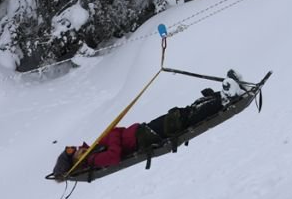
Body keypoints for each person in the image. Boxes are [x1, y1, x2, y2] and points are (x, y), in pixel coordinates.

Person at [51, 69, 252, 180]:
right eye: (72, 152)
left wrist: (113, 134)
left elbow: (117, 136)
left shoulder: (92, 149)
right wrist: (113, 134)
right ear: (75, 162)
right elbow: (114, 156)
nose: (76, 148)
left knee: (182, 114)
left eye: (71, 148)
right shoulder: (92, 160)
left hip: (144, 131)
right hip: (145, 138)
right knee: (181, 119)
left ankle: (223, 96)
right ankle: (225, 99)